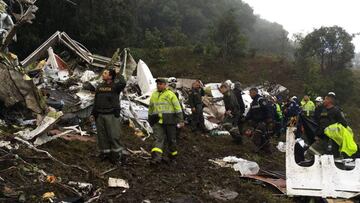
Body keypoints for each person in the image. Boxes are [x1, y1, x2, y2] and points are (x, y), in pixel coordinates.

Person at [91, 68, 127, 165]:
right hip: (100, 114)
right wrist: (93, 113)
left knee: (113, 136)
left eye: (105, 73)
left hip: (111, 115)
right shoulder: (99, 87)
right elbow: (96, 100)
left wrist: (118, 73)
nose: (103, 74)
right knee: (102, 136)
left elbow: (123, 83)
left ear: (110, 76)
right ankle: (105, 154)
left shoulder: (115, 86)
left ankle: (116, 156)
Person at [148, 78, 184, 164]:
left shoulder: (170, 94)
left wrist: (180, 120)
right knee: (158, 139)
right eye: (157, 84)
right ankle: (156, 158)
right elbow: (151, 108)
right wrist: (150, 119)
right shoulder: (154, 95)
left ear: (165, 85)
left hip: (170, 121)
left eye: (161, 84)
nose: (158, 85)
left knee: (171, 140)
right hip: (158, 121)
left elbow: (177, 108)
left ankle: (172, 157)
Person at [307, 94, 348, 158]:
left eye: (325, 99)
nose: (323, 101)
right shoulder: (323, 110)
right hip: (321, 138)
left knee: (332, 157)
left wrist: (333, 130)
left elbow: (344, 124)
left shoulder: (336, 111)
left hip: (331, 141)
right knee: (310, 153)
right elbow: (320, 123)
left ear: (329, 101)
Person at [244, 88, 272, 152]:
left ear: (254, 92)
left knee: (257, 135)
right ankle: (265, 149)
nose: (250, 95)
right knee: (261, 135)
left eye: (250, 93)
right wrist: (245, 118)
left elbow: (267, 109)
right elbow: (250, 112)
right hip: (256, 122)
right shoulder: (253, 102)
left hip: (263, 121)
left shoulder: (260, 100)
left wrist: (269, 119)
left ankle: (258, 149)